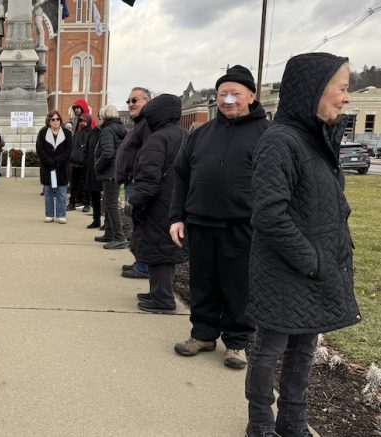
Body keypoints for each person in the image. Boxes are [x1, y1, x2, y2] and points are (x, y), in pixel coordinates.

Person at [244, 53, 360, 437]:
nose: (346, 97)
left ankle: (292, 419)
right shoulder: (281, 141)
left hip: (316, 269)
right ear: (314, 90)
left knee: (305, 348)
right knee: (270, 349)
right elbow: (269, 215)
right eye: (342, 88)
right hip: (285, 269)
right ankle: (260, 422)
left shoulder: (319, 140)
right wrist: (312, 262)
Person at [169, 65, 270, 369]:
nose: (227, 100)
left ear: (251, 96)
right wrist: (177, 216)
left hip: (243, 225)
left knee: (238, 286)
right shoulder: (201, 134)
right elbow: (182, 176)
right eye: (222, 93)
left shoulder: (268, 134)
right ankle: (203, 334)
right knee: (203, 282)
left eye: (235, 94)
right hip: (201, 222)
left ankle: (237, 342)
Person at [126, 94, 188, 314]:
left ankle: (162, 299)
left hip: (157, 203)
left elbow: (149, 177)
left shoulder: (157, 139)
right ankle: (158, 292)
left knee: (158, 251)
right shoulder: (184, 135)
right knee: (164, 250)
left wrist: (135, 201)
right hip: (176, 201)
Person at [116, 87, 153, 279]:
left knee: (139, 225)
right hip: (131, 182)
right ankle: (140, 262)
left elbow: (148, 155)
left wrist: (136, 176)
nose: (130, 104)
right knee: (135, 225)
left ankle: (143, 267)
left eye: (135, 100)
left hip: (137, 183)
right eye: (128, 101)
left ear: (147, 102)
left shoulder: (147, 125)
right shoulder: (139, 124)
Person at [94, 104, 127, 249]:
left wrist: (97, 166)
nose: (99, 120)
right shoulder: (120, 129)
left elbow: (107, 153)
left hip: (109, 172)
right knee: (108, 202)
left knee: (111, 204)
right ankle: (109, 233)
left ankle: (119, 237)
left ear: (105, 117)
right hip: (116, 171)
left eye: (100, 117)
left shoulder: (107, 130)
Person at [35, 110, 73, 223]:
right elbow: (40, 150)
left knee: (62, 192)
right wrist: (50, 162)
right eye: (53, 119)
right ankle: (49, 214)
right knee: (48, 192)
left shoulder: (67, 133)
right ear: (49, 121)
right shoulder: (43, 133)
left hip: (61, 167)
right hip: (47, 168)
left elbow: (69, 150)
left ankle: (61, 214)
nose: (56, 121)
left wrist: (57, 161)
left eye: (57, 119)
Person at [68, 114, 92, 211]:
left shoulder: (91, 133)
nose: (82, 123)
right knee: (74, 185)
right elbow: (73, 147)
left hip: (86, 164)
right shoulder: (77, 133)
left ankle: (87, 203)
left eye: (84, 121)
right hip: (75, 163)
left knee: (86, 185)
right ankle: (72, 203)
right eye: (81, 121)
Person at [84, 117, 104, 228]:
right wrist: (86, 162)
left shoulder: (106, 132)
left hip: (103, 169)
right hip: (92, 169)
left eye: (102, 118)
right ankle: (96, 219)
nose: (100, 121)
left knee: (106, 198)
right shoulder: (92, 133)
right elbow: (86, 150)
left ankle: (107, 223)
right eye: (99, 118)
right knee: (94, 195)